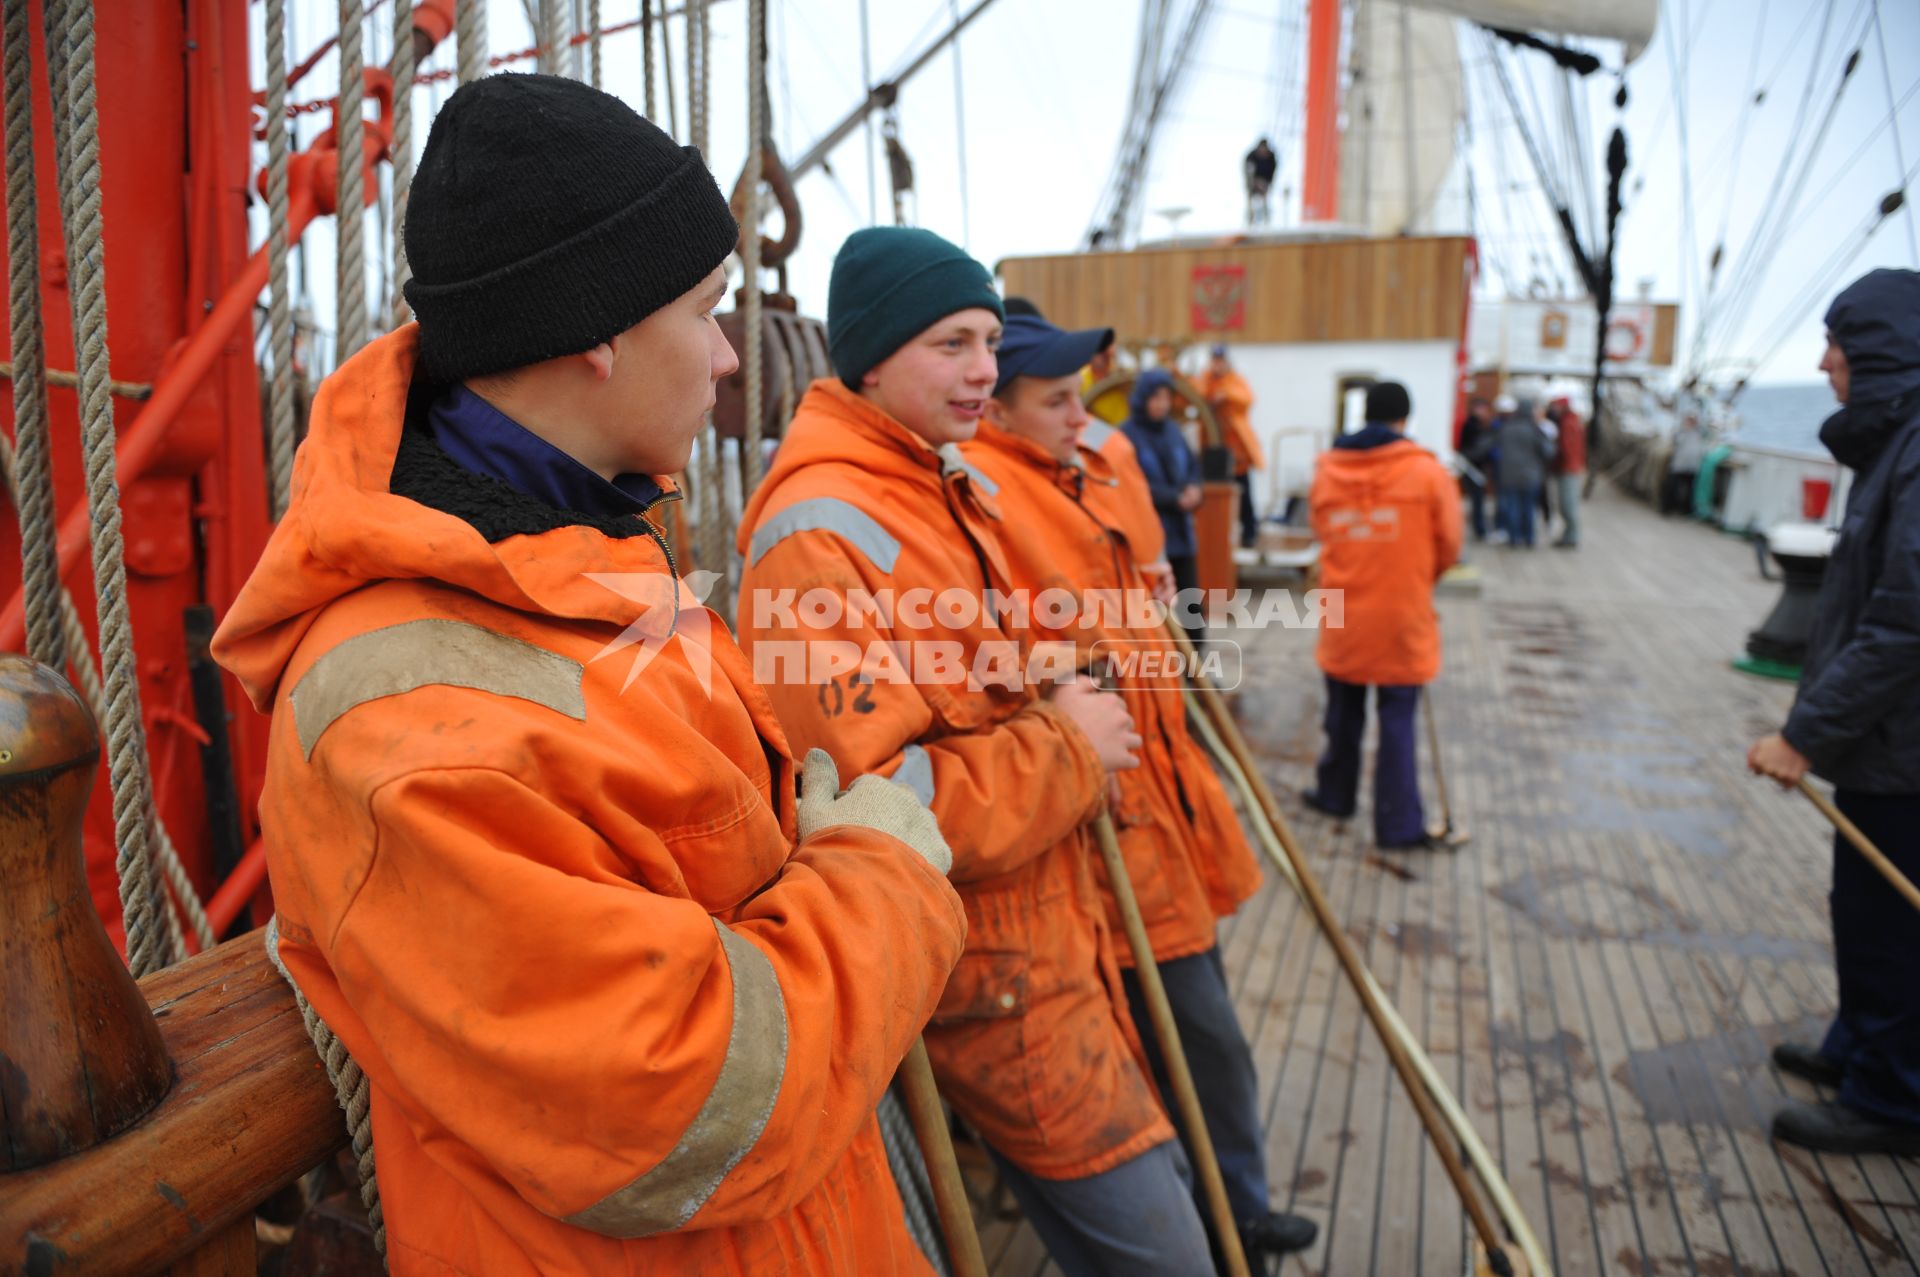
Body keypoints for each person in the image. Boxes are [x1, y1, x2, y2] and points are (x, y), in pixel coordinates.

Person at [211, 76, 966, 1275]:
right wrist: (882, 868)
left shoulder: (581, 548)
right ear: (598, 332)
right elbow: (681, 1104)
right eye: (709, 311)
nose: (729, 357)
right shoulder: (412, 726)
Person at [735, 226, 1215, 1277]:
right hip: (983, 968)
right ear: (870, 355)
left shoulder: (938, 486)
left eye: (990, 340)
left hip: (1052, 929)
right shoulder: (820, 529)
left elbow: (954, 666)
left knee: (1167, 1193)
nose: (986, 370)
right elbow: (866, 799)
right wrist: (1069, 750)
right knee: (1165, 1251)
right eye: (952, 342)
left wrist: (1038, 660)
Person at [965, 313, 1320, 1263]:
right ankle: (1212, 1223)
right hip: (1086, 836)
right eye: (1058, 400)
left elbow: (1146, 605)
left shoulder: (1096, 463)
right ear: (995, 409)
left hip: (1155, 806)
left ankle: (1233, 1212)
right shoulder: (984, 496)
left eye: (1084, 394)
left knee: (1206, 1046)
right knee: (1173, 1050)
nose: (1084, 415)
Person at [1747, 267, 1920, 1157]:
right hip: (1885, 747)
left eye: (1838, 347)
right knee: (1861, 908)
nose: (1822, 364)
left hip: (1907, 757)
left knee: (1894, 924)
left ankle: (1893, 1099)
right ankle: (1861, 1049)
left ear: (1881, 356)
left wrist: (1804, 735)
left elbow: (1905, 623)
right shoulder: (1897, 446)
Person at [1302, 381, 1463, 849]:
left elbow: (1321, 530)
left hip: (1344, 611)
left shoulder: (1328, 472)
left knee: (1343, 712)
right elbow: (1450, 544)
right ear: (1404, 420)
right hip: (1400, 612)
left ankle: (1335, 794)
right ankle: (1397, 824)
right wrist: (1416, 575)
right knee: (1396, 720)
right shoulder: (1428, 474)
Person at [1123, 367, 1207, 636]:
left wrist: (1195, 489)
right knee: (1158, 611)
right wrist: (1173, 498)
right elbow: (1130, 484)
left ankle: (1196, 665)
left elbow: (1193, 466)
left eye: (1166, 398)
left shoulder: (1173, 432)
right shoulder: (1126, 436)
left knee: (1190, 606)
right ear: (1142, 398)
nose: (1162, 404)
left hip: (1182, 536)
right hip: (1151, 539)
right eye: (1156, 397)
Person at [1199, 344, 1265, 548]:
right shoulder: (1205, 379)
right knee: (1214, 495)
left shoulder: (1235, 381)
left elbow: (1246, 398)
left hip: (1237, 454)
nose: (1217, 364)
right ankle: (1216, 535)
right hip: (1213, 450)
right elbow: (1196, 392)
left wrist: (1224, 394)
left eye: (1221, 360)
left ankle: (1249, 533)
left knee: (1243, 494)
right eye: (1215, 360)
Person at [1495, 396, 1552, 548]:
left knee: (1512, 507)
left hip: (1509, 475)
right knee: (1529, 508)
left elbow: (1493, 445)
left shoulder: (1507, 427)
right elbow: (1548, 451)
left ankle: (1514, 538)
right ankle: (1529, 538)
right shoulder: (1535, 429)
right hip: (1530, 476)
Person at [1547, 397, 1586, 548]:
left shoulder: (1568, 423)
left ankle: (1573, 536)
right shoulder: (1569, 421)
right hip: (1569, 467)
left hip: (1568, 468)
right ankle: (1569, 535)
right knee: (1566, 504)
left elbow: (1568, 448)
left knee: (1568, 504)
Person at [1457, 397, 1494, 542]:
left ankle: (1480, 529)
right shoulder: (1471, 426)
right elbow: (1473, 449)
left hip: (1476, 468)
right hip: (1473, 469)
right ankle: (1480, 530)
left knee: (1478, 501)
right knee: (1477, 501)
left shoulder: (1479, 425)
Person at [1666, 415, 1709, 517]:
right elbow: (1675, 440)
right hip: (1679, 465)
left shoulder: (1699, 433)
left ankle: (1685, 510)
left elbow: (1705, 439)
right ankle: (1667, 508)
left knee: (1689, 490)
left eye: (1693, 421)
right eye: (1690, 421)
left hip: (1692, 466)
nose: (1691, 423)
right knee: (1672, 487)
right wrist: (1684, 429)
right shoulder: (1681, 432)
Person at [1244, 138, 1278, 226]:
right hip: (1252, 183)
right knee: (1250, 202)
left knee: (1265, 202)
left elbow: (1272, 172)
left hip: (1265, 182)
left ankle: (1267, 221)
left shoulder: (1271, 158)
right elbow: (1247, 172)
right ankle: (1250, 220)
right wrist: (1255, 182)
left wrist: (1266, 183)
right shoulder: (1251, 156)